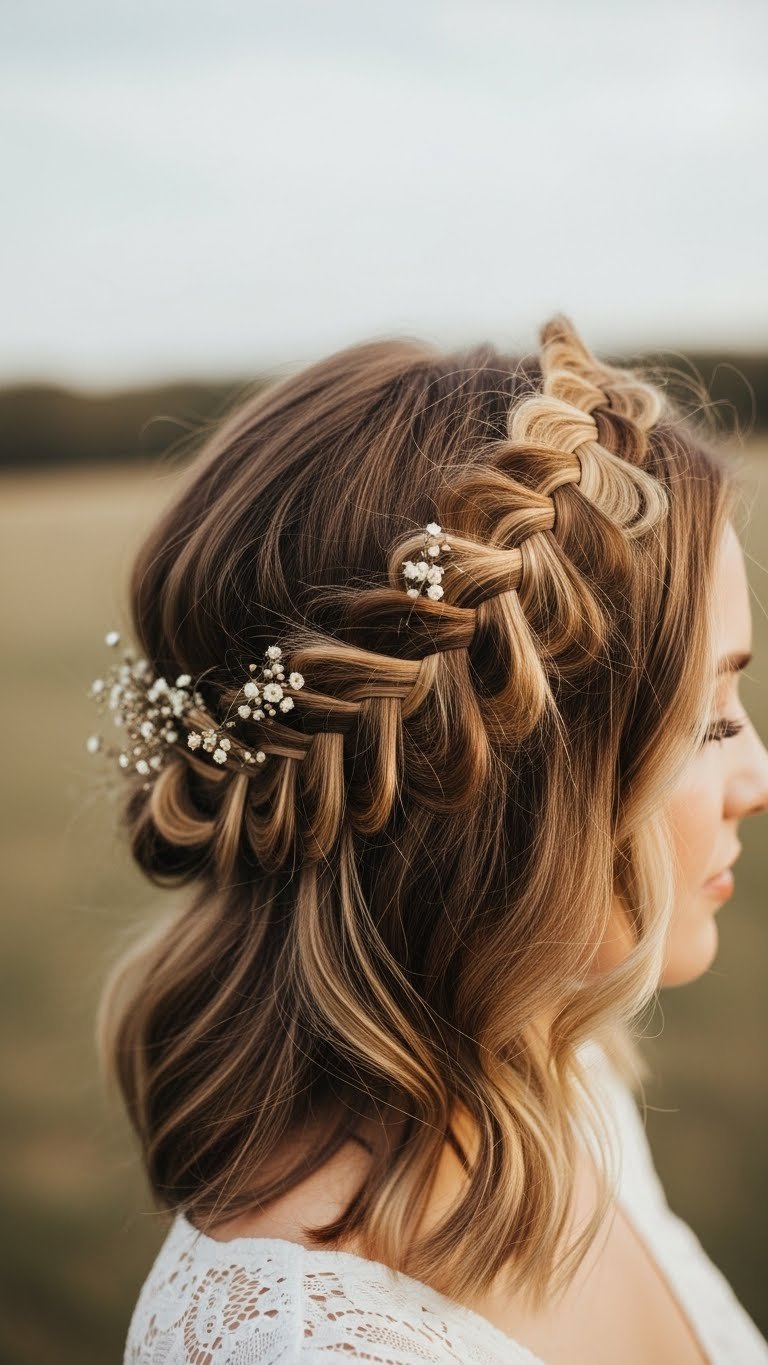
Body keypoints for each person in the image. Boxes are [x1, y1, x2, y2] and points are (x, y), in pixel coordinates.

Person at [91, 315, 768, 1363]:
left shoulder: (552, 1083)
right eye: (708, 720)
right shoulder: (308, 1348)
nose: (756, 779)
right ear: (506, 796)